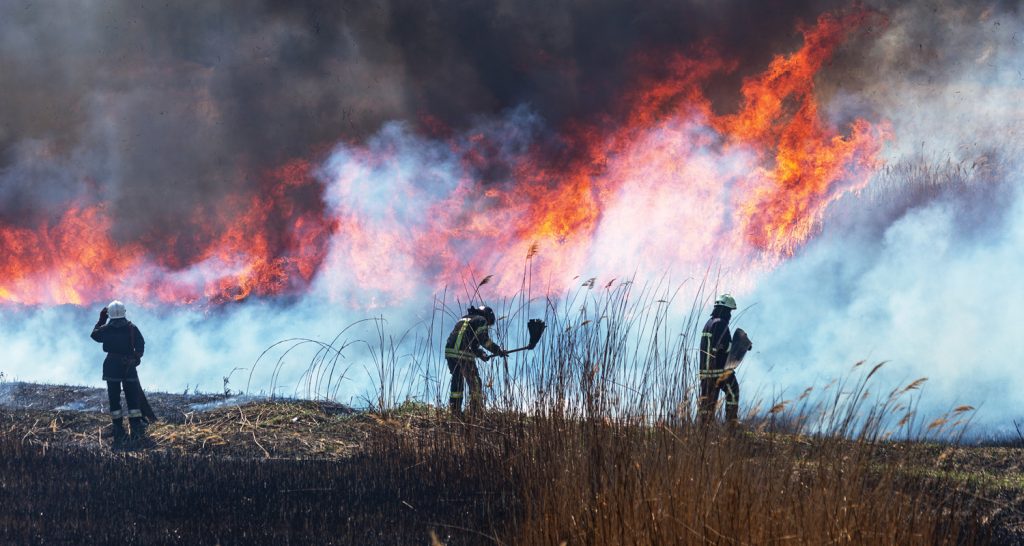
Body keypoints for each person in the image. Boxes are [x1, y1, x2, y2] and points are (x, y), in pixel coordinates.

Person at [91, 300, 146, 444]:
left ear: (109, 314)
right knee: (132, 396)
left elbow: (94, 335)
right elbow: (141, 345)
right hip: (128, 366)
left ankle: (118, 428)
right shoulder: (131, 328)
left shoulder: (106, 329)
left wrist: (101, 319)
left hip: (111, 365)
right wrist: (135, 358)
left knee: (114, 397)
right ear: (124, 313)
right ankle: (135, 427)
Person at [443, 306, 507, 417]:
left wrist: (481, 354)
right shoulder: (481, 320)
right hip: (463, 354)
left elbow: (472, 343)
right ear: (487, 316)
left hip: (450, 352)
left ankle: (455, 411)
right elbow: (484, 341)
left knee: (457, 380)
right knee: (475, 382)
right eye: (488, 323)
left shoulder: (465, 318)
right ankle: (476, 412)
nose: (487, 325)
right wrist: (498, 350)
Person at [698, 294, 739, 424]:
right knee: (733, 393)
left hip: (706, 372)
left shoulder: (709, 323)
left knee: (707, 403)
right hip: (720, 370)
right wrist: (740, 345)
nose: (730, 315)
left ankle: (704, 431)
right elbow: (724, 346)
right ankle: (731, 424)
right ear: (725, 311)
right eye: (729, 311)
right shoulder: (720, 323)